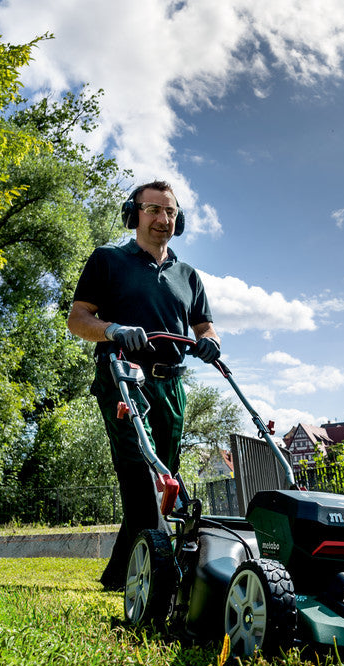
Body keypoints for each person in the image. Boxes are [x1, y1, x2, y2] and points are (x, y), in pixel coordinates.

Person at [67, 180, 221, 590]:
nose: (162, 219)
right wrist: (113, 329)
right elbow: (78, 318)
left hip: (171, 385)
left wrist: (210, 342)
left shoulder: (188, 275)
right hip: (123, 377)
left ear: (178, 221)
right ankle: (154, 572)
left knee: (164, 475)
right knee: (139, 470)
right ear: (133, 214)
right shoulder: (108, 260)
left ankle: (122, 573)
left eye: (170, 212)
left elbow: (205, 326)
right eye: (152, 209)